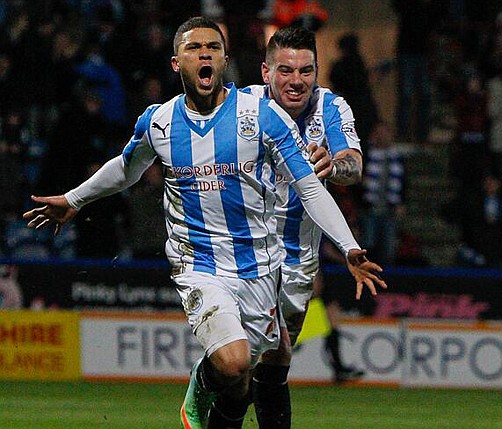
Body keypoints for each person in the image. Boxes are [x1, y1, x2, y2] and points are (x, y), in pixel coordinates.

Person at [23, 17, 386, 429]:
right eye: (194, 48)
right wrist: (74, 199)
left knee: (261, 368)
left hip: (271, 260)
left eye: (212, 47)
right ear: (177, 62)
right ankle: (201, 381)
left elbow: (328, 180)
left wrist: (347, 240)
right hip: (200, 262)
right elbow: (125, 168)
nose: (296, 80)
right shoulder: (164, 120)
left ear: (225, 58)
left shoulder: (288, 112)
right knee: (235, 362)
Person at [242, 26, 372, 428]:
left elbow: (354, 164)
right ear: (266, 72)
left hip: (299, 256)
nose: (296, 81)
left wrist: (336, 164)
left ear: (317, 71)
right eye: (285, 70)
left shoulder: (331, 108)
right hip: (243, 247)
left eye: (306, 71)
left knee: (277, 357)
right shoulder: (242, 106)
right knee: (240, 357)